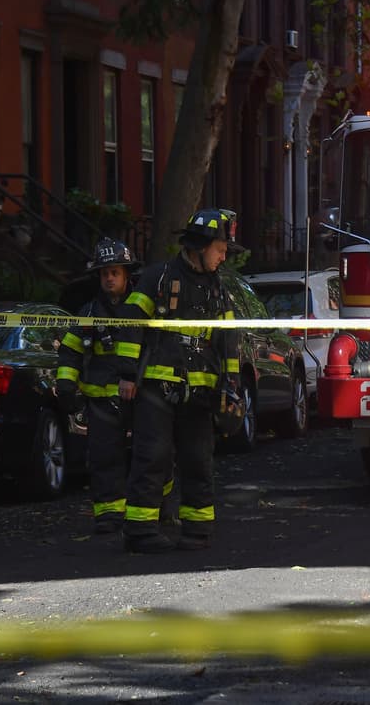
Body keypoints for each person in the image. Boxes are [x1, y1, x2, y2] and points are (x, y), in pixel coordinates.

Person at [123, 208, 241, 553]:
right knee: (152, 456)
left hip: (202, 391)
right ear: (200, 246)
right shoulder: (158, 279)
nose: (223, 256)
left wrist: (231, 385)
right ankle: (141, 531)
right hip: (156, 387)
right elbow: (131, 324)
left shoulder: (219, 290)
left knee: (197, 458)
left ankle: (198, 530)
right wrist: (127, 375)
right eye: (220, 249)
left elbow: (229, 340)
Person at [56, 238, 145, 534]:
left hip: (142, 396)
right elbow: (70, 350)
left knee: (151, 454)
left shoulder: (142, 308)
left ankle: (154, 511)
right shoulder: (88, 312)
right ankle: (109, 514)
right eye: (105, 273)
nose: (109, 278)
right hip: (101, 398)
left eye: (115, 272)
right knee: (104, 457)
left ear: (126, 275)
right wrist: (66, 385)